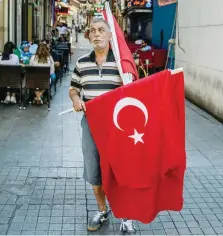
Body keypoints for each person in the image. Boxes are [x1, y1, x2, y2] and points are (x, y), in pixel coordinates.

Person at [69, 17, 136, 234]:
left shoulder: (121, 63)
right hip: (91, 125)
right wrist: (76, 99)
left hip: (118, 128)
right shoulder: (81, 63)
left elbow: (134, 92)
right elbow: (73, 88)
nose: (96, 34)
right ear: (88, 36)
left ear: (110, 36)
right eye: (92, 31)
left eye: (101, 30)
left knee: (121, 171)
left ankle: (126, 215)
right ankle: (102, 210)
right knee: (94, 169)